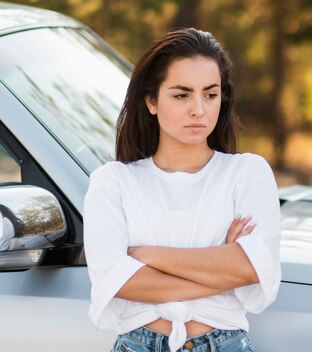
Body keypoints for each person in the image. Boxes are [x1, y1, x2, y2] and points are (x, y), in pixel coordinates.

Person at [83, 28, 281, 352]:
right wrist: (220, 268)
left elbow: (252, 269)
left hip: (225, 343)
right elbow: (116, 282)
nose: (199, 110)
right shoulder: (113, 182)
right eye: (181, 94)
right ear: (151, 101)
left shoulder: (247, 173)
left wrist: (148, 255)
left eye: (210, 94)